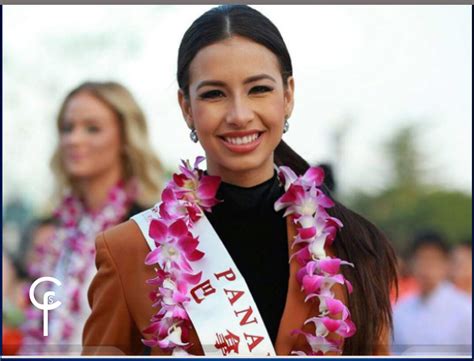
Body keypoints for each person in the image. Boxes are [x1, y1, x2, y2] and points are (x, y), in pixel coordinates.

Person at [83, 5, 397, 356]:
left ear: (288, 95)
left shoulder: (353, 248)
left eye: (259, 89)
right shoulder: (129, 250)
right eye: (214, 94)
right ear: (186, 107)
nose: (239, 115)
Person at [19, 81, 165, 355]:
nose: (74, 139)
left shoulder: (145, 229)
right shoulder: (56, 232)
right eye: (67, 128)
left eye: (92, 128)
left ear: (125, 139)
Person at [392, 231, 472, 355]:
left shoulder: (465, 309)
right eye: (421, 259)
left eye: (433, 260)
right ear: (412, 264)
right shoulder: (401, 310)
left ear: (447, 264)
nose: (426, 267)